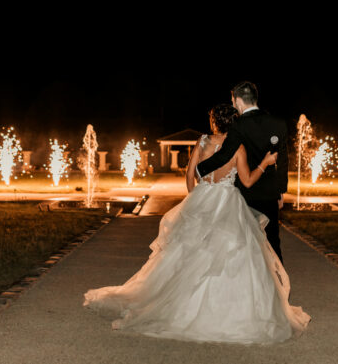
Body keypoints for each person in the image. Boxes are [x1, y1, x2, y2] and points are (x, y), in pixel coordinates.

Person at [83, 104, 310, 345]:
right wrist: (265, 162)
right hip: (227, 203)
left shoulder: (202, 142)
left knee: (188, 255)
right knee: (234, 253)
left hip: (201, 199)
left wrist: (195, 200)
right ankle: (226, 310)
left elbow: (190, 173)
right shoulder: (238, 147)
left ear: (214, 122)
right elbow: (247, 180)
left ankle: (179, 304)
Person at [197, 81, 288, 263]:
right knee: (272, 241)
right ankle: (279, 287)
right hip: (269, 193)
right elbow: (284, 161)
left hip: (244, 193)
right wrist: (280, 191)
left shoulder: (239, 125)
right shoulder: (278, 123)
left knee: (245, 242)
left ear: (238, 101)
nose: (233, 105)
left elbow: (225, 154)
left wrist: (201, 169)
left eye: (233, 101)